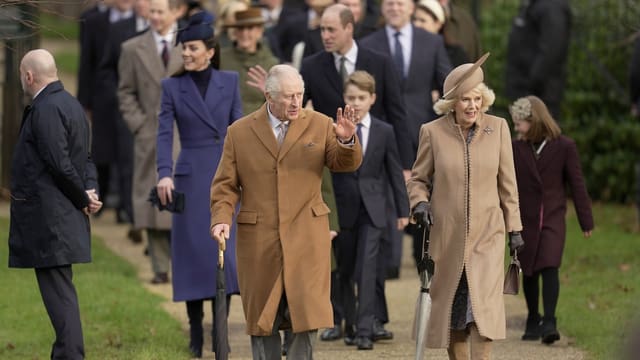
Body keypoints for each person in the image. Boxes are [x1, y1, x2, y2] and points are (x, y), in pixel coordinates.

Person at [210, 64, 362, 359]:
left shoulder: (319, 123)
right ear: (268, 96)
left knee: (304, 318)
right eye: (289, 96)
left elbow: (344, 163)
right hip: (259, 241)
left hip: (307, 236)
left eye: (299, 95)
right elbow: (224, 186)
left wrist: (345, 140)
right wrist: (221, 220)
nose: (296, 102)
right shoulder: (239, 132)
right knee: (262, 321)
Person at [406, 53, 524, 358]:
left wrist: (515, 229)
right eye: (464, 100)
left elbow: (508, 186)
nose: (472, 106)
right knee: (454, 314)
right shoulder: (431, 132)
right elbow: (418, 179)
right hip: (447, 238)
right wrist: (419, 203)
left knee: (482, 314)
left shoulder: (497, 128)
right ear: (451, 104)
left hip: (488, 235)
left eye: (476, 99)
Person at [155, 11, 242, 358]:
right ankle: (194, 331)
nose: (186, 54)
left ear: (210, 49)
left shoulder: (230, 81)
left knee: (227, 259)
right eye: (183, 49)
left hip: (224, 176)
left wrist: (246, 176)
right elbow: (164, 134)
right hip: (189, 180)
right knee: (192, 257)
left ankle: (220, 332)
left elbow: (239, 131)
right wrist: (163, 172)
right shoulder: (171, 86)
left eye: (192, 48)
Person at [9, 49, 103, 360]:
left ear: (28, 76)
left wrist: (81, 197)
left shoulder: (46, 108)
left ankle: (69, 354)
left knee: (59, 294)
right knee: (60, 290)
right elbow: (85, 158)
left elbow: (59, 163)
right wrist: (89, 191)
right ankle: (67, 352)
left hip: (52, 219)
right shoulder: (71, 104)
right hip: (63, 215)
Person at [331, 71, 409, 350]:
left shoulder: (384, 131)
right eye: (351, 97)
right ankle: (350, 324)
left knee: (367, 268)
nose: (356, 102)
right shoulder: (332, 128)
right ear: (344, 98)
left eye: (362, 97)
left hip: (375, 210)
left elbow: (394, 171)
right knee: (344, 269)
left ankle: (365, 330)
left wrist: (403, 209)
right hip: (343, 210)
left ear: (372, 99)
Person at [509, 95, 594, 344]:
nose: (516, 129)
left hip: (553, 217)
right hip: (524, 218)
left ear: (533, 120)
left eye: (519, 123)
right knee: (530, 271)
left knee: (550, 265)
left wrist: (585, 220)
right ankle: (533, 317)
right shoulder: (516, 148)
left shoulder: (564, 146)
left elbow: (577, 184)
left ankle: (550, 320)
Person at [118, 0, 184, 284]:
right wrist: (139, 124)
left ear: (176, 11)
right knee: (154, 199)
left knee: (184, 199)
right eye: (152, 11)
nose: (154, 17)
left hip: (186, 135)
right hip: (151, 133)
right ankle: (160, 267)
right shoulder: (132, 48)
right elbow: (125, 92)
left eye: (160, 11)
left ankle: (182, 264)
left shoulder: (193, 44)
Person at [505, 0, 572, 119]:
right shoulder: (533, 5)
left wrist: (532, 85)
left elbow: (551, 50)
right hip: (526, 95)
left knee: (540, 136)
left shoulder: (551, 6)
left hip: (540, 97)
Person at [221, 7, 280, 114]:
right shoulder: (221, 58)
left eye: (250, 28)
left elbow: (279, 105)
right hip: (227, 125)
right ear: (235, 32)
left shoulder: (271, 63)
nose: (244, 33)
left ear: (259, 31)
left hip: (258, 124)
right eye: (240, 29)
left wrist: (269, 93)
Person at [413, 0, 469, 67]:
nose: (416, 24)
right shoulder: (407, 49)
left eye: (422, 20)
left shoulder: (456, 53)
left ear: (438, 24)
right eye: (414, 19)